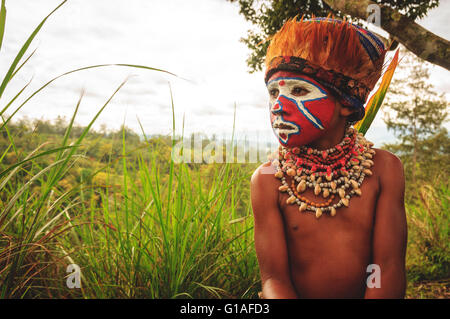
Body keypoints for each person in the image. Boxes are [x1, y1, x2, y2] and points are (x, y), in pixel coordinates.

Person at [251, 16, 407, 299]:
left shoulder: (384, 170)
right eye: (274, 92)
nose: (279, 106)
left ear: (346, 103)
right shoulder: (268, 180)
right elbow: (274, 279)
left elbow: (387, 268)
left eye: (298, 90)